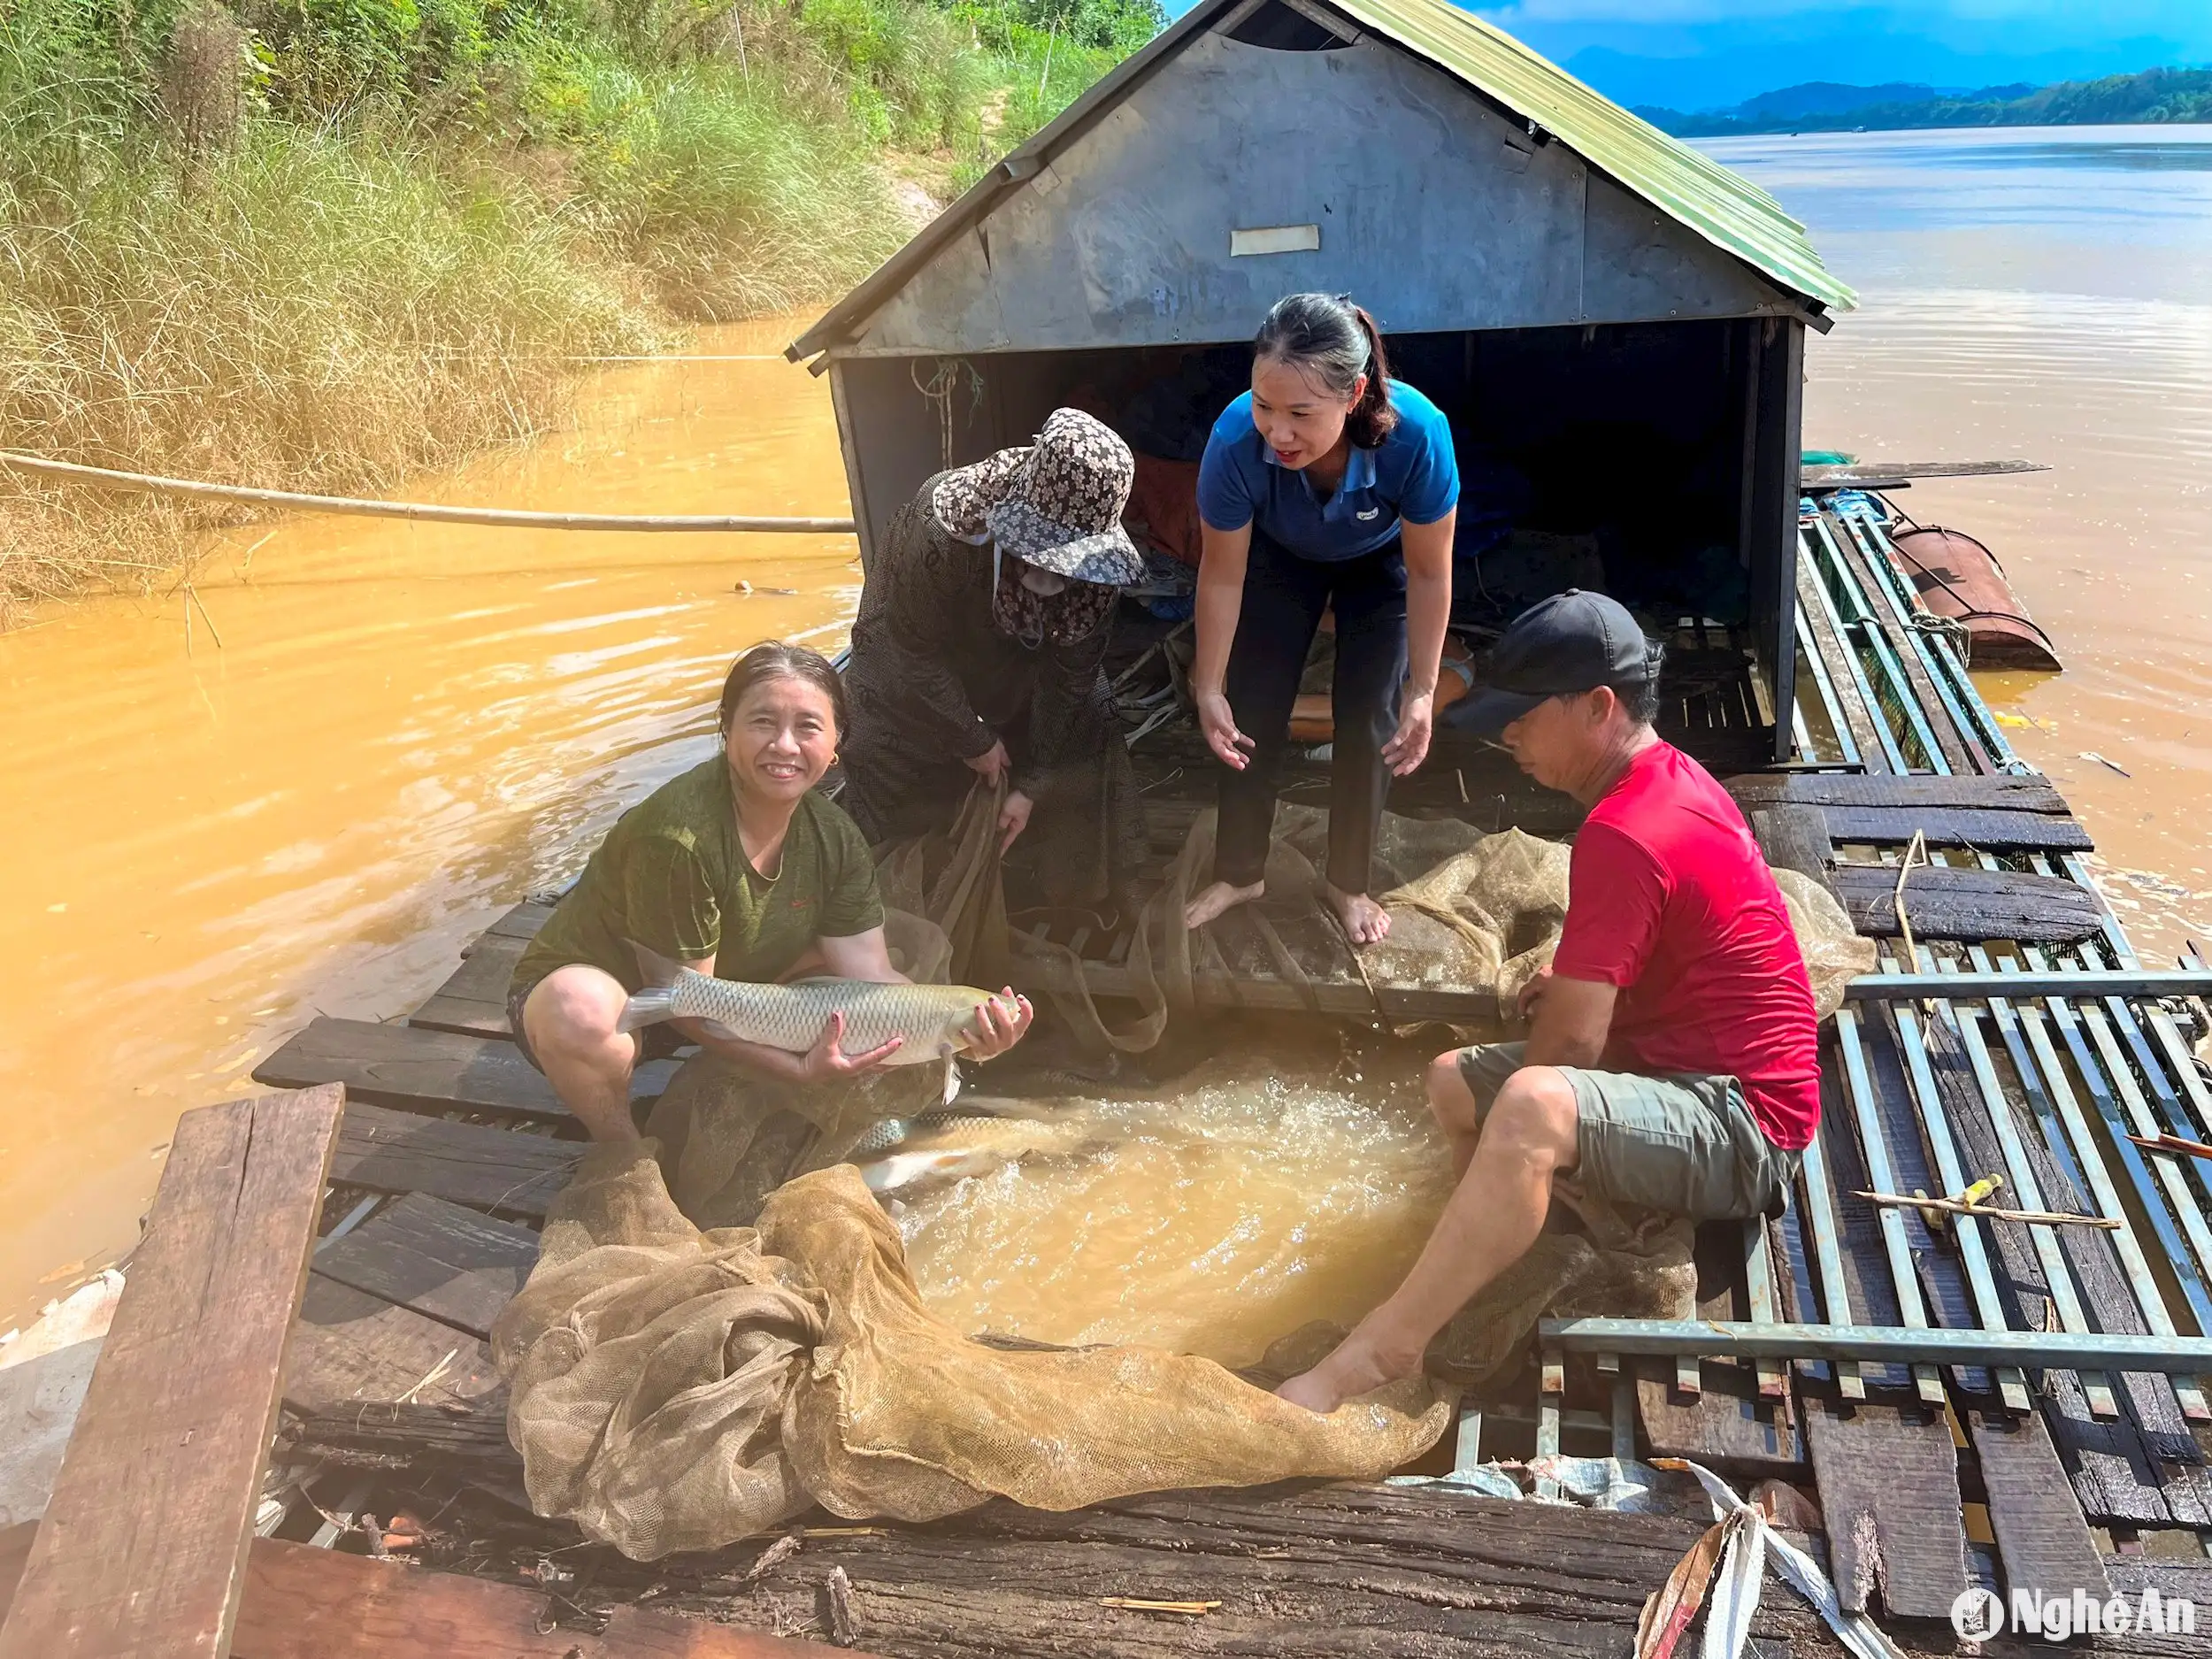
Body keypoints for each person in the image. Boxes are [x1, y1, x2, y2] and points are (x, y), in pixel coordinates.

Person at [1277, 591, 1819, 1413]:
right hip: (1681, 1063)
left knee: (1531, 1104)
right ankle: (1470, 1256)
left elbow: (1566, 1056)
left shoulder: (1627, 829)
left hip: (1748, 1123)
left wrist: (1537, 1118)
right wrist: (1573, 984)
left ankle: (1389, 1343)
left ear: (1600, 707)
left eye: (1524, 717)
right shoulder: (1658, 782)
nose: (1507, 736)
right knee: (1452, 1081)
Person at [510, 641, 1034, 1143]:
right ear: (726, 729)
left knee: (865, 980)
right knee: (578, 1011)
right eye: (762, 721)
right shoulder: (677, 836)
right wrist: (798, 1068)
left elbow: (873, 979)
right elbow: (686, 1000)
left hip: (727, 986)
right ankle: (621, 1153)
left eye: (808, 727)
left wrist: (971, 1040)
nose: (784, 746)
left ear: (835, 747)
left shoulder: (834, 836)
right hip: (633, 995)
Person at [1182, 293, 1461, 947]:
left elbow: (1428, 572)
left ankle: (1348, 881)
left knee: (1371, 716)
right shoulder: (1232, 441)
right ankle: (1241, 869)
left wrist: (1423, 689)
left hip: (1379, 561)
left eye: (1301, 414)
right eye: (1264, 406)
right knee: (1251, 706)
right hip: (1282, 556)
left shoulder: (1418, 433)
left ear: (1355, 393)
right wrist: (1208, 687)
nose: (1278, 433)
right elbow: (1221, 573)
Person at [839, 408, 1148, 912]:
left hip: (1017, 662)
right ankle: (886, 898)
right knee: (876, 735)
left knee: (1094, 706)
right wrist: (973, 737)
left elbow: (1070, 677)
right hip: (916, 655)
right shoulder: (942, 529)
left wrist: (1032, 784)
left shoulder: (1097, 573)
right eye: (1044, 550)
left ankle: (1071, 885)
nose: (1055, 568)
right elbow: (909, 650)